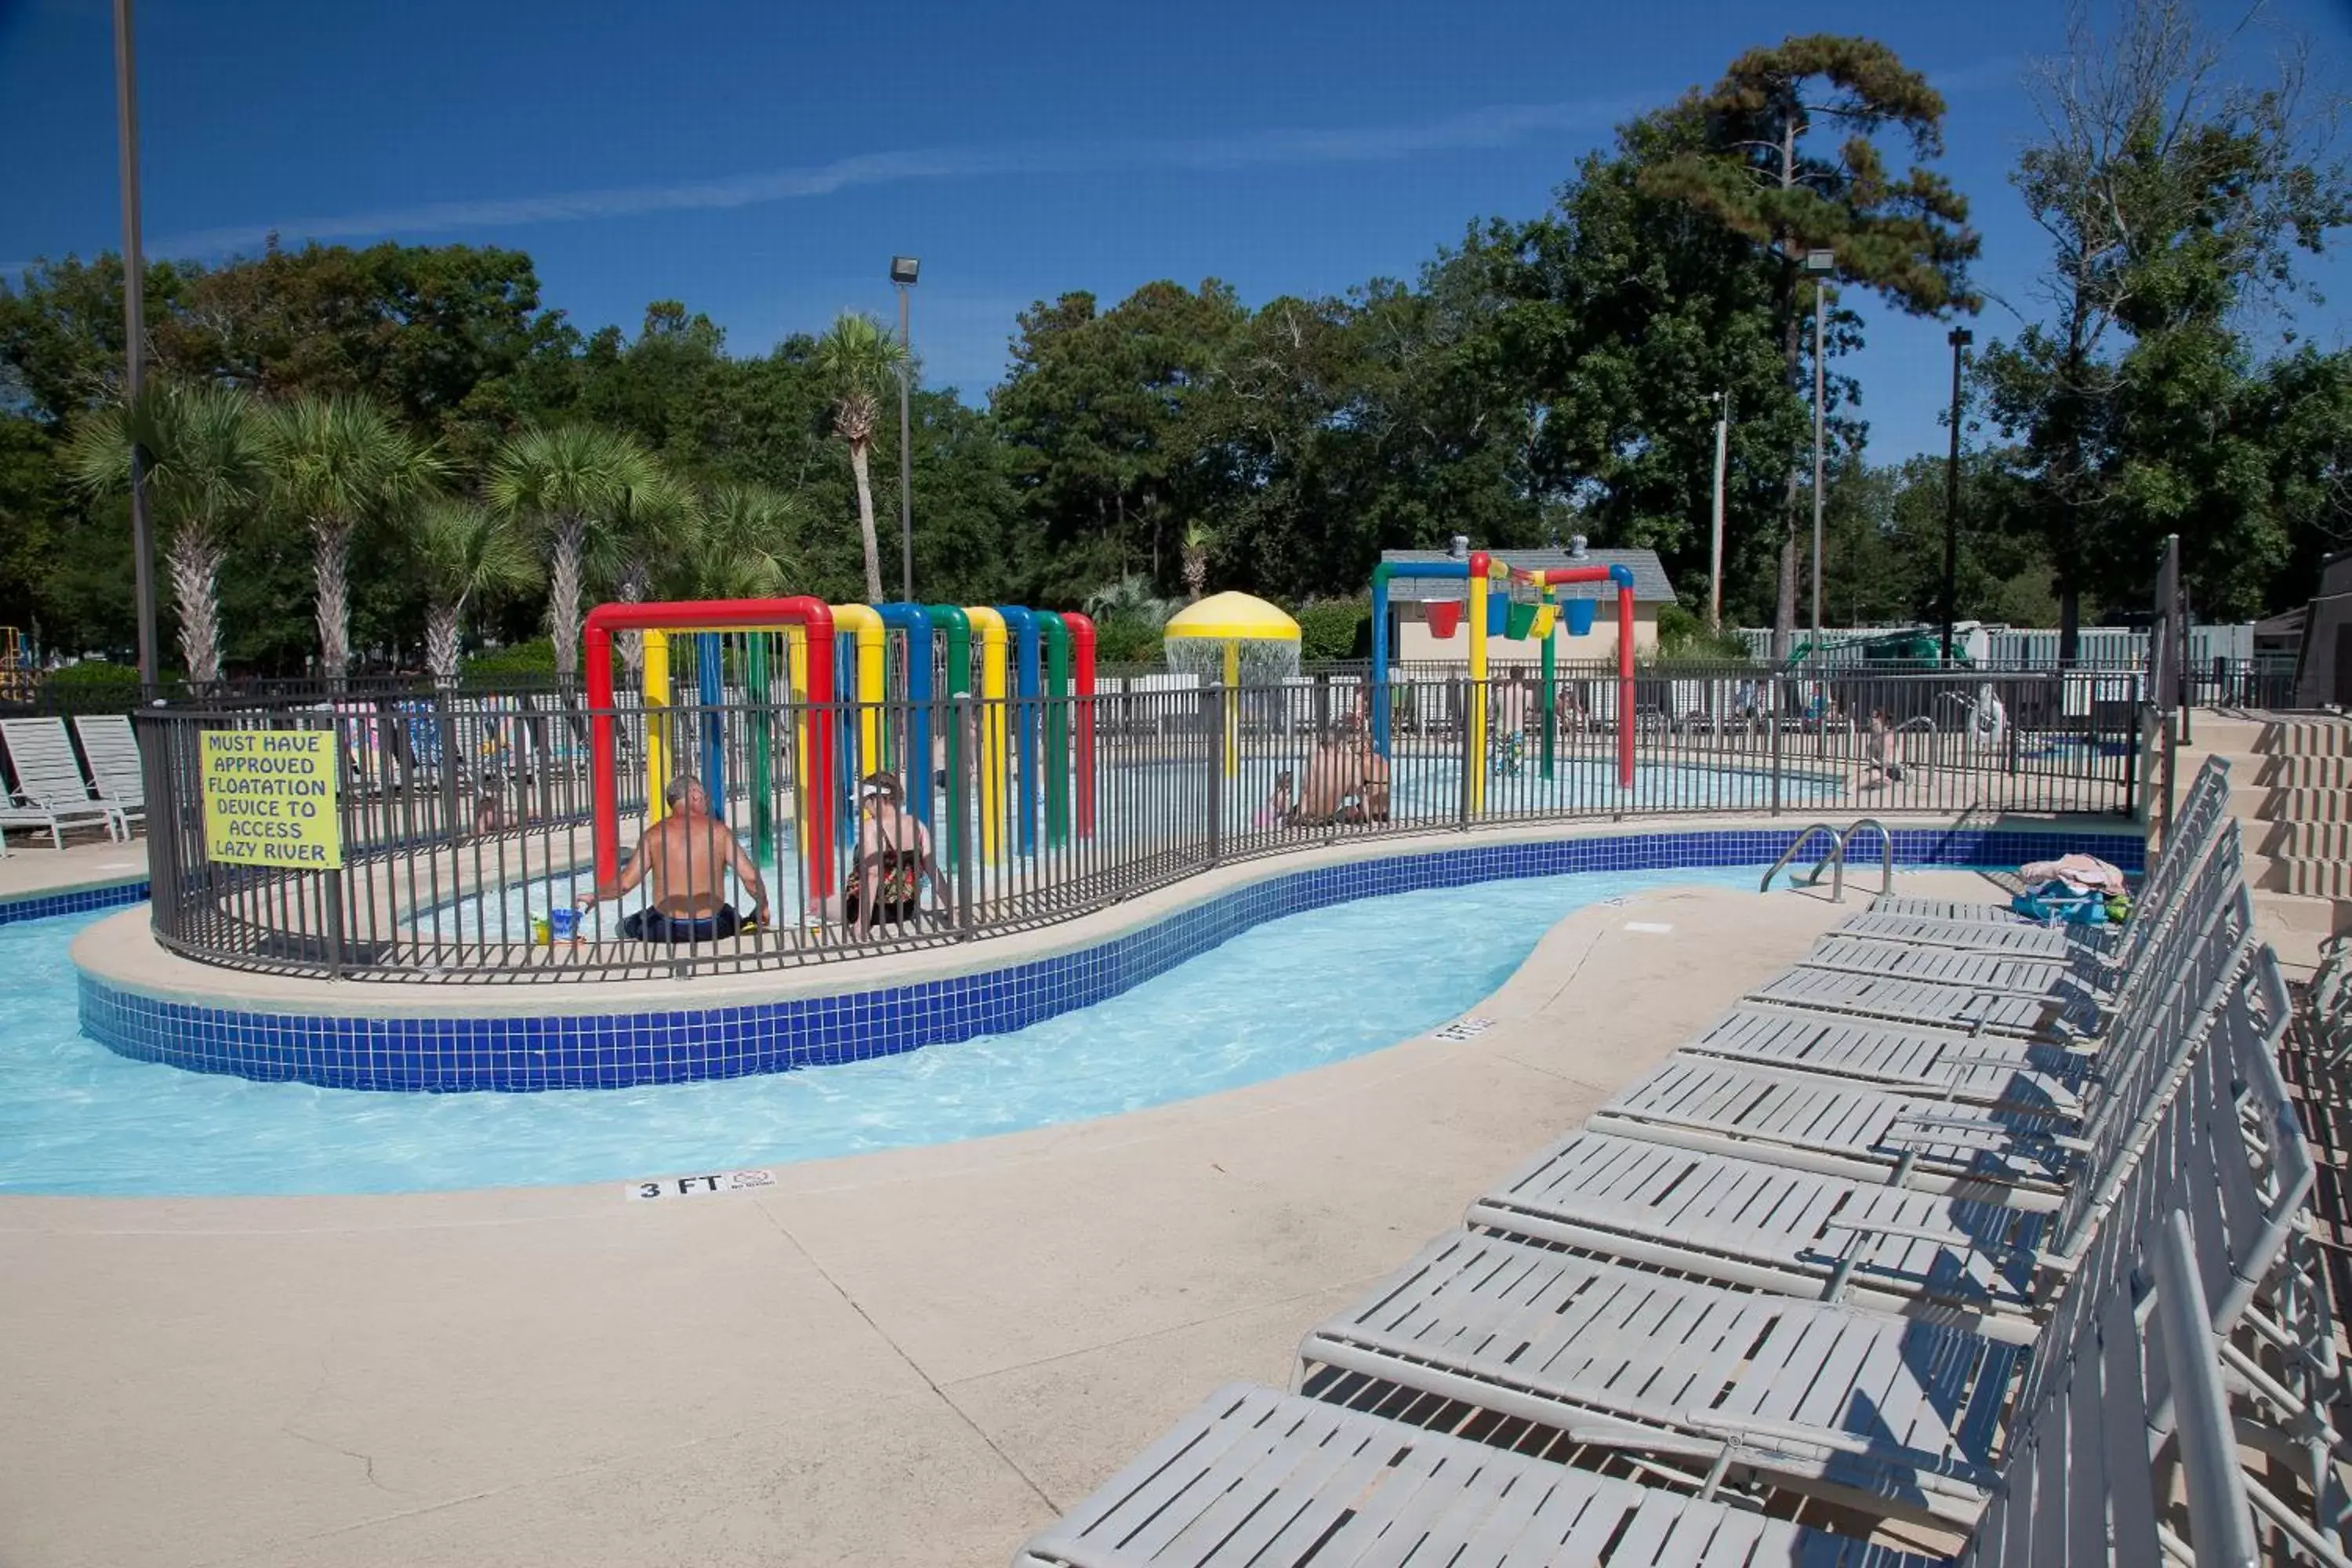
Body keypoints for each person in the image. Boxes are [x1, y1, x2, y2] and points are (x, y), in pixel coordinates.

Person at [578, 775, 769, 942]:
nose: (706, 802)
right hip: (710, 927)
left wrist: (595, 897)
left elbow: (625, 885)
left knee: (626, 925)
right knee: (733, 915)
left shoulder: (654, 835)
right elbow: (751, 879)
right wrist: (763, 905)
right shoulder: (719, 832)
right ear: (695, 795)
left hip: (667, 928)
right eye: (705, 797)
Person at [823, 771, 948, 935]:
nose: (863, 806)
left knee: (820, 906)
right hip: (905, 910)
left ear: (878, 799)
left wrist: (862, 924)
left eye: (865, 801)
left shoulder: (872, 828)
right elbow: (933, 870)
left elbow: (872, 877)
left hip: (874, 911)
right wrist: (952, 910)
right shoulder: (917, 825)